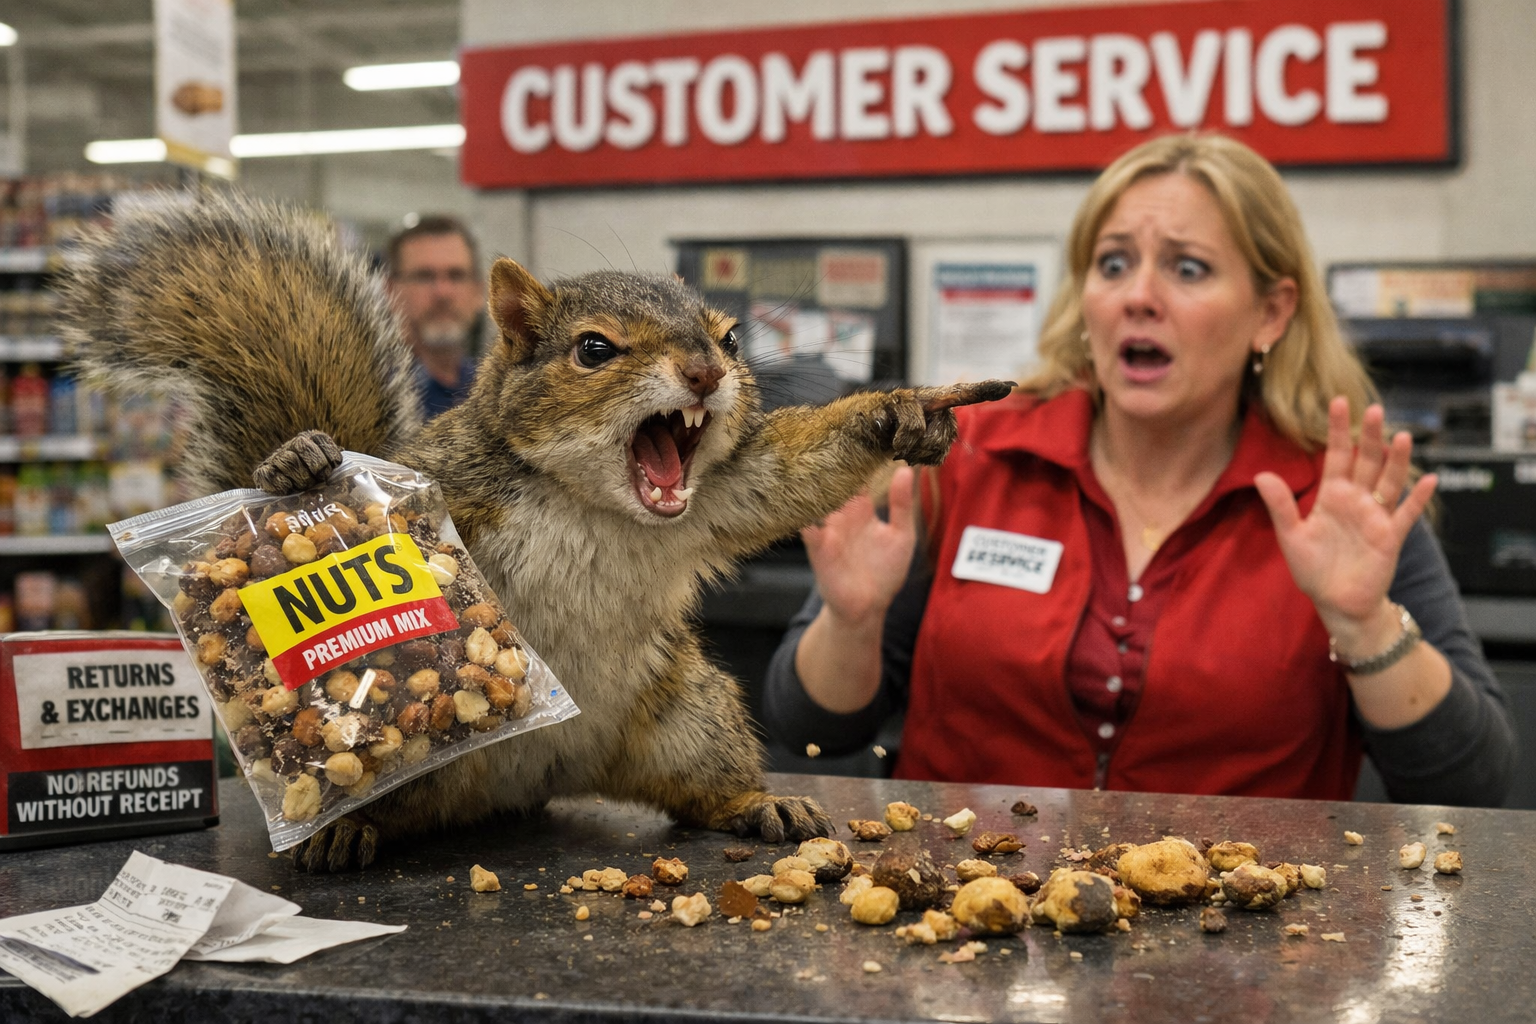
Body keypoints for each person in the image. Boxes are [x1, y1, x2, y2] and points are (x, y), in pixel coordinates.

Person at [763, 133, 1516, 807]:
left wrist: (1363, 624)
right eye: (1113, 263)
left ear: (1271, 313)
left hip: (1244, 938)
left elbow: (1468, 786)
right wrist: (852, 622)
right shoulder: (963, 457)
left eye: (1188, 268)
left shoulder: (1335, 501)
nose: (1138, 296)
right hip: (957, 924)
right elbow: (807, 734)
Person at [385, 215, 485, 418]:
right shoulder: (372, 394)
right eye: (424, 276)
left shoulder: (489, 387)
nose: (443, 293)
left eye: (456, 275)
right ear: (390, 290)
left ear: (479, 291)